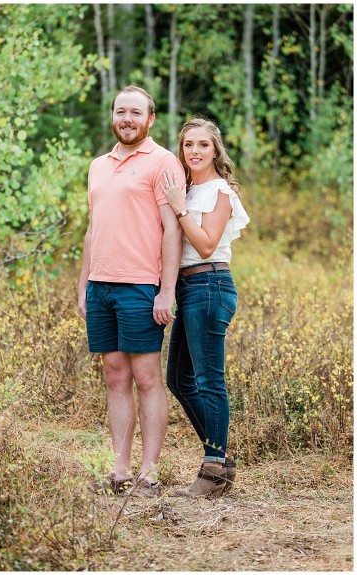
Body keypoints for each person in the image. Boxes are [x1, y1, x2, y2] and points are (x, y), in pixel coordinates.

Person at [77, 86, 185, 497]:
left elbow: (172, 229)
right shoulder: (98, 165)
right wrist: (84, 283)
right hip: (101, 285)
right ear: (112, 115)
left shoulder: (164, 163)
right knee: (115, 374)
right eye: (121, 111)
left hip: (141, 285)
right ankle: (119, 468)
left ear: (150, 119)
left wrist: (166, 290)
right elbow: (93, 227)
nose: (127, 119)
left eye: (135, 113)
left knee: (146, 377)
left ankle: (149, 471)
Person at [161, 117, 249, 497]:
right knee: (178, 379)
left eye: (203, 145)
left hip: (209, 284)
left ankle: (213, 471)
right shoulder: (186, 189)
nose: (194, 151)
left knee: (209, 380)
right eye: (188, 145)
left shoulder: (219, 192)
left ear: (216, 150)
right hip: (188, 288)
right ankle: (221, 459)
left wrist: (180, 210)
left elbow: (207, 243)